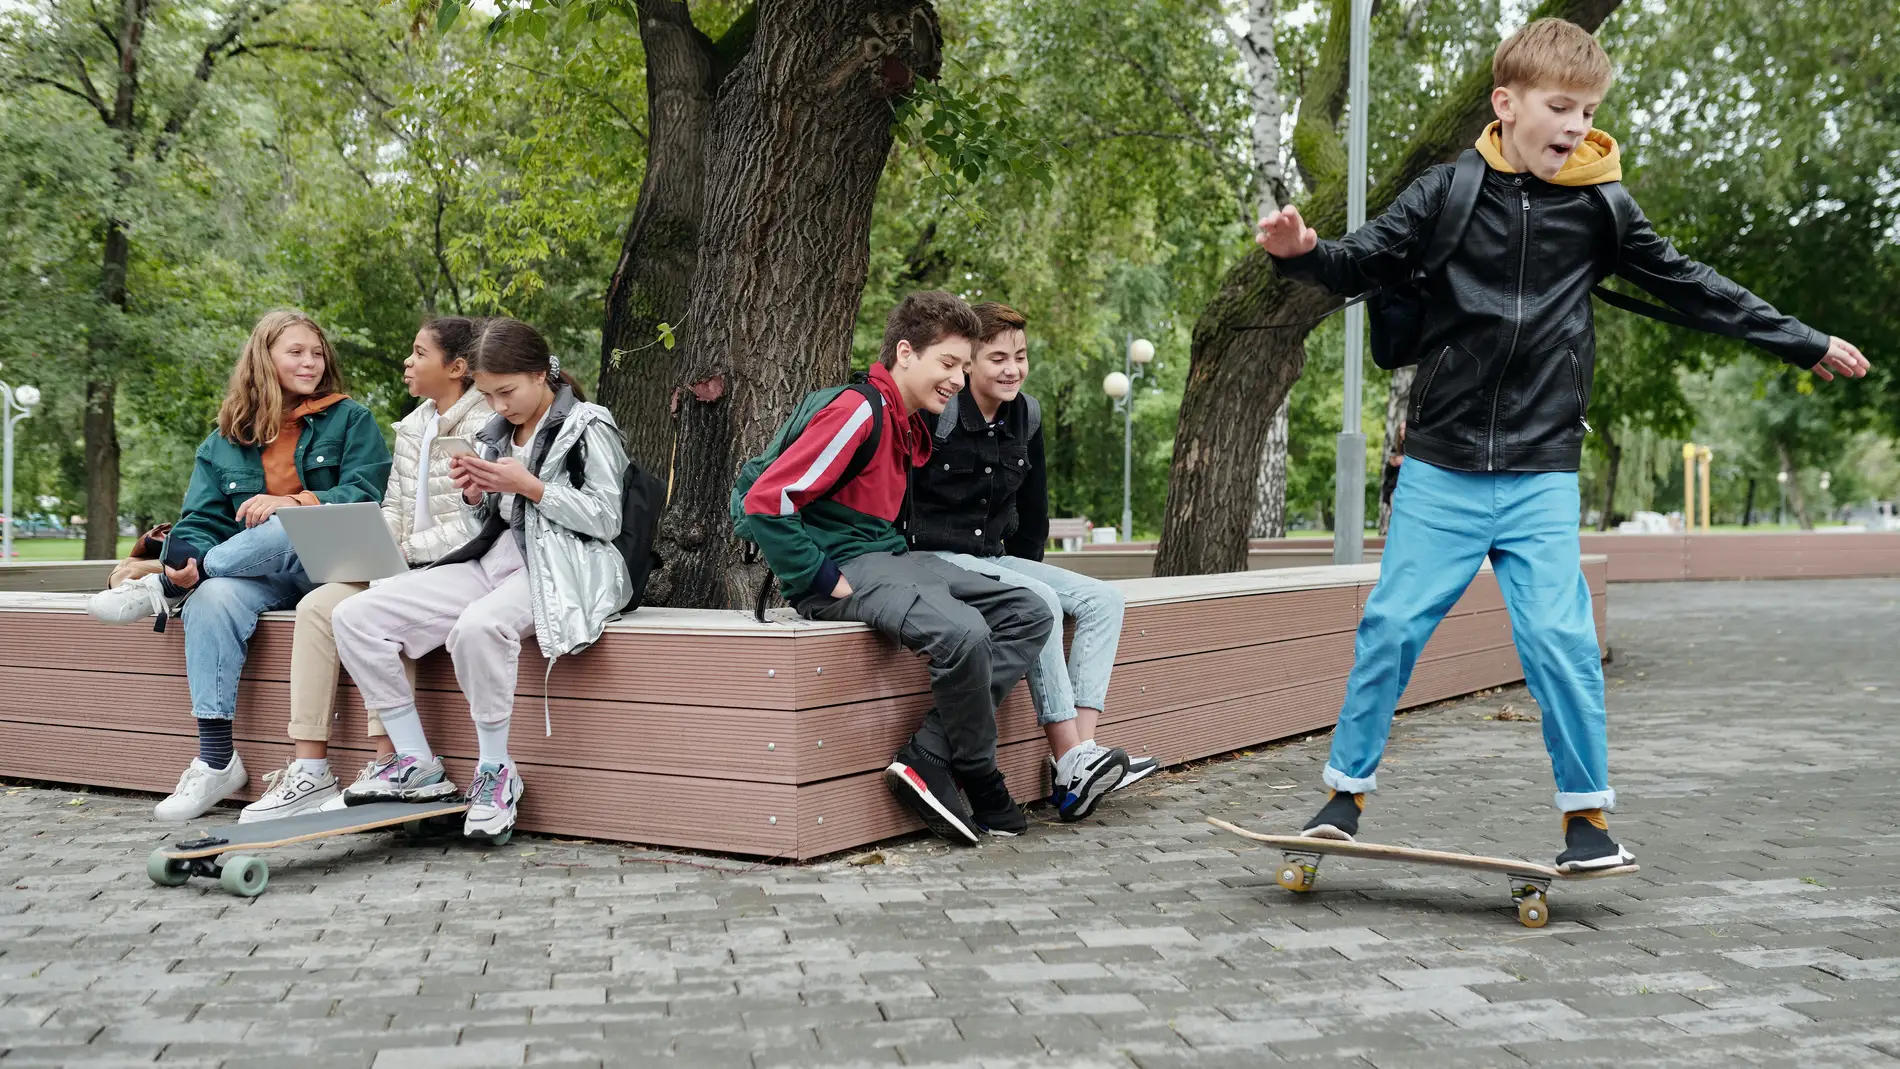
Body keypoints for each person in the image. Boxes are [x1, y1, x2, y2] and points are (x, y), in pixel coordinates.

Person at [1256, 17, 1869, 870]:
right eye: (1561, 107)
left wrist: (1798, 339)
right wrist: (1304, 252)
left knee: (1561, 642)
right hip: (1442, 461)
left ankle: (1587, 819)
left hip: (1542, 468)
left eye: (1588, 111)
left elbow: (1693, 287)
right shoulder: (1447, 191)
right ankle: (1341, 797)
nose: (1578, 126)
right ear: (1507, 104)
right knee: (1392, 626)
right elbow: (1366, 259)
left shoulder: (1601, 208)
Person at [741, 291, 1052, 847]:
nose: (958, 380)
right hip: (846, 568)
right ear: (905, 353)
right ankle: (980, 776)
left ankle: (931, 750)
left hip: (889, 560)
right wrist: (817, 576)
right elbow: (769, 499)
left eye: (963, 366)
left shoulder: (903, 419)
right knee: (964, 632)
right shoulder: (859, 409)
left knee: (1028, 611)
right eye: (949, 364)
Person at [331, 318, 630, 842]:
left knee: (477, 627)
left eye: (507, 392)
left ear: (541, 374)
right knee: (354, 615)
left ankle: (496, 771)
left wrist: (532, 487)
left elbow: (607, 519)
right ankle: (415, 762)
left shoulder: (588, 425)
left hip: (559, 570)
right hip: (492, 562)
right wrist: (476, 496)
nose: (497, 407)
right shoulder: (495, 434)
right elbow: (489, 522)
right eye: (488, 395)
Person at [87, 310, 391, 820]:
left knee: (281, 523)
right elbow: (201, 518)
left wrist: (296, 501)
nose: (310, 362)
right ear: (263, 359)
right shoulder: (228, 437)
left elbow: (368, 493)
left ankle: (165, 587)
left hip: (334, 566)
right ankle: (215, 761)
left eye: (317, 353)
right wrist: (188, 557)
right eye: (295, 352)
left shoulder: (350, 419)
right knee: (210, 594)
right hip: (259, 571)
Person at [905, 302, 1158, 823]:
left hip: (992, 558)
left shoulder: (1028, 414)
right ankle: (1072, 761)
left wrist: (1023, 570)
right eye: (997, 357)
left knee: (1103, 599)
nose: (1012, 369)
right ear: (967, 363)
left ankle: (1077, 761)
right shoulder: (939, 414)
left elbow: (1033, 515)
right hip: (932, 556)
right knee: (1035, 600)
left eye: (1020, 357)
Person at [237, 317, 494, 822]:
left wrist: (402, 558)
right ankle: (309, 770)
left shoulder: (488, 423)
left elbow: (476, 526)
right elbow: (395, 505)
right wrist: (380, 546)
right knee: (316, 606)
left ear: (458, 368)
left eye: (419, 353)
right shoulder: (415, 423)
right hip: (402, 561)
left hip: (454, 566)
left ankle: (391, 762)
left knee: (378, 607)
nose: (407, 361)